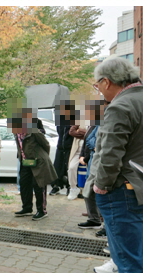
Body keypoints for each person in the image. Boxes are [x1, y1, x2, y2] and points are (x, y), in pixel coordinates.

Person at [85, 57, 142, 273]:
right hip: (139, 184)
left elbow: (110, 153)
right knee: (137, 247)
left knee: (127, 258)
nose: (98, 90)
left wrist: (101, 186)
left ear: (107, 82)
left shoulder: (120, 106)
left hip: (121, 189)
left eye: (97, 85)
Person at [11, 109, 56, 221]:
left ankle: (42, 210)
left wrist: (41, 156)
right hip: (25, 162)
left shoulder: (33, 131)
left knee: (39, 186)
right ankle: (27, 208)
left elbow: (46, 145)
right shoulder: (16, 133)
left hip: (38, 162)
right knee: (24, 184)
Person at [77, 100, 105, 230]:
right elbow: (88, 142)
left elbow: (95, 142)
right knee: (89, 190)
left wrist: (89, 152)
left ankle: (101, 221)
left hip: (98, 160)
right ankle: (94, 218)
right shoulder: (93, 124)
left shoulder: (101, 123)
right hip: (92, 159)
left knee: (97, 190)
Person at [51, 101, 76, 196]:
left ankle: (70, 187)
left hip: (70, 147)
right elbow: (59, 133)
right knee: (57, 166)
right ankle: (56, 185)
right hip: (60, 147)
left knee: (69, 168)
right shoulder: (60, 122)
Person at [67, 123, 87, 200]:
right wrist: (85, 133)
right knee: (71, 168)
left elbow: (93, 134)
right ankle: (73, 188)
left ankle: (87, 190)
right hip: (77, 151)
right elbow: (72, 132)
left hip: (88, 150)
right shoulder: (80, 120)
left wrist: (79, 131)